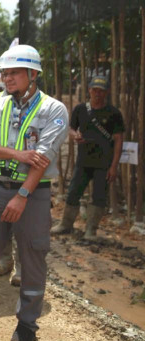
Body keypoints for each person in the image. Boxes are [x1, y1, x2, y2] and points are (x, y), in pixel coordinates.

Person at [0, 45, 69, 341]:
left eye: (14, 72)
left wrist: (22, 195)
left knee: (33, 257)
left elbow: (42, 159)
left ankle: (27, 326)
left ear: (33, 74)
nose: (7, 78)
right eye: (5, 73)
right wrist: (16, 153)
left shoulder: (54, 110)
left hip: (31, 196)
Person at [51, 75, 124, 240]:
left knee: (99, 196)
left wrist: (114, 166)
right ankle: (65, 224)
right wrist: (74, 135)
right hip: (83, 161)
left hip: (104, 163)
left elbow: (119, 140)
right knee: (73, 193)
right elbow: (69, 129)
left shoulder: (113, 113)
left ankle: (91, 230)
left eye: (101, 91)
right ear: (89, 90)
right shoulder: (80, 109)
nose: (97, 94)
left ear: (107, 92)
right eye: (94, 90)